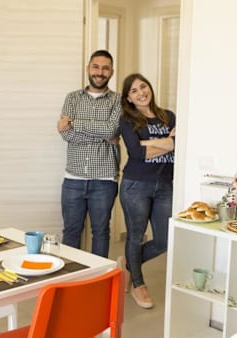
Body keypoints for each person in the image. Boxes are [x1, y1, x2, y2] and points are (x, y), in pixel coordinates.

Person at [117, 73, 176, 309]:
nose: (141, 92)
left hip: (165, 185)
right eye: (134, 91)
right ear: (128, 99)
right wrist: (167, 142)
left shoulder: (168, 116)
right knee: (136, 236)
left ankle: (128, 265)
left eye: (143, 86)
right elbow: (136, 153)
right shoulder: (127, 120)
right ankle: (138, 284)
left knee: (164, 241)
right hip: (136, 185)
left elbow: (178, 145)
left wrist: (147, 143)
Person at [57, 50, 122, 257]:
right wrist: (103, 135)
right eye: (96, 67)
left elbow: (111, 130)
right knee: (71, 232)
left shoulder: (118, 100)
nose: (100, 72)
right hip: (73, 178)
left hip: (104, 180)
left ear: (111, 72)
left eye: (105, 68)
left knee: (101, 232)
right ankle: (71, 274)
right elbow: (66, 134)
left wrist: (75, 123)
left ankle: (99, 276)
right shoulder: (72, 98)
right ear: (88, 69)